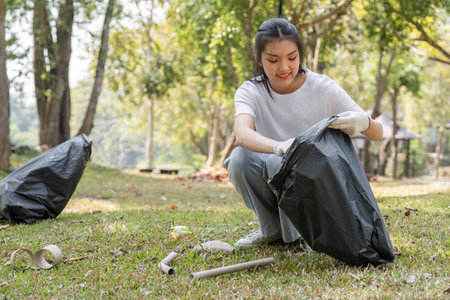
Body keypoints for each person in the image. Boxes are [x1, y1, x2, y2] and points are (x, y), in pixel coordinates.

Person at [225, 18, 383, 250]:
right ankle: (272, 229)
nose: (284, 67)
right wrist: (281, 147)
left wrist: (364, 121)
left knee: (276, 162)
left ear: (300, 54)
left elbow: (377, 134)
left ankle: (309, 233)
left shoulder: (323, 88)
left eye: (292, 57)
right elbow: (242, 134)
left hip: (318, 182)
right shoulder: (252, 91)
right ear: (258, 58)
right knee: (240, 159)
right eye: (273, 59)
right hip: (277, 169)